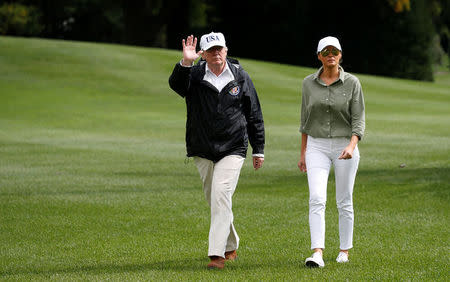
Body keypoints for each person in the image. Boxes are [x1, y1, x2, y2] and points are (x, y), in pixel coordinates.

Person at [168, 32, 265, 269]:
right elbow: (177, 86)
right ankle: (231, 243)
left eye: (219, 49)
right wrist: (186, 63)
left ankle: (217, 254)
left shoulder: (240, 76)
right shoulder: (194, 74)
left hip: (233, 146)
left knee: (221, 193)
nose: (216, 53)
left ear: (226, 50)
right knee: (215, 199)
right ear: (203, 54)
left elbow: (254, 113)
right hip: (202, 147)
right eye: (211, 50)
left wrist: (258, 148)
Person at [298, 36, 365, 268]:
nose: (330, 55)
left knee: (344, 200)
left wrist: (352, 144)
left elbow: (358, 119)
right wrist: (303, 153)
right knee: (316, 198)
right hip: (316, 146)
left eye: (334, 51)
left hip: (344, 145)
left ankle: (344, 250)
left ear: (340, 55)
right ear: (319, 56)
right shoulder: (308, 83)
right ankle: (317, 252)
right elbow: (305, 120)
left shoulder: (353, 83)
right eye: (325, 52)